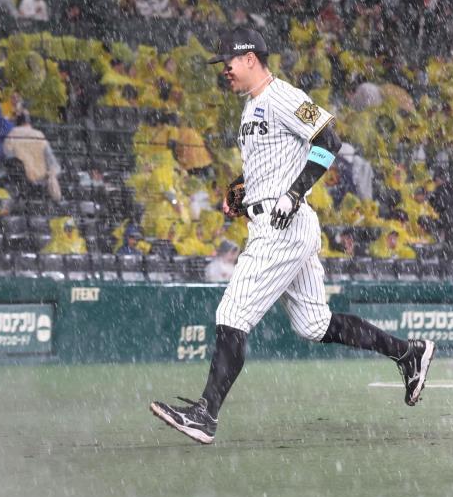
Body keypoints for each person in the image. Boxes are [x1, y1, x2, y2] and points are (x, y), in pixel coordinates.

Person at [150, 28, 436, 444]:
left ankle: (205, 414)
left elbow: (329, 140)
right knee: (314, 324)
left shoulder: (281, 95)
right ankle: (409, 353)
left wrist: (295, 192)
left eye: (228, 61)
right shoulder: (251, 108)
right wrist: (244, 194)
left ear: (250, 59)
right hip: (274, 219)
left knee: (232, 315)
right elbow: (271, 169)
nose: (224, 69)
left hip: (283, 225)